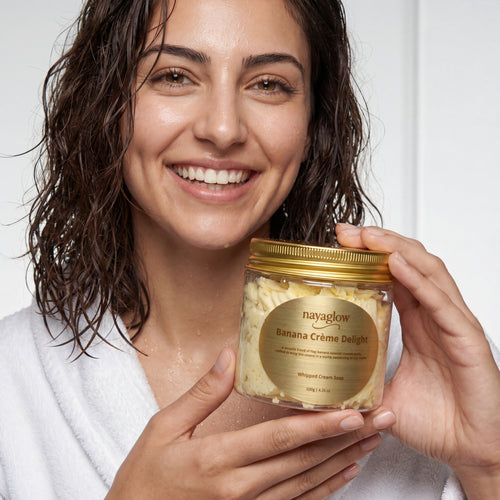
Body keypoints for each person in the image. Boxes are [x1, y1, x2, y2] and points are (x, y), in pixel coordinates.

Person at [0, 0, 499, 498]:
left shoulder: (423, 375)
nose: (223, 130)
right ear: (107, 104)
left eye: (268, 84)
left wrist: (490, 467)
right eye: (174, 76)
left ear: (313, 124)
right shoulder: (13, 377)